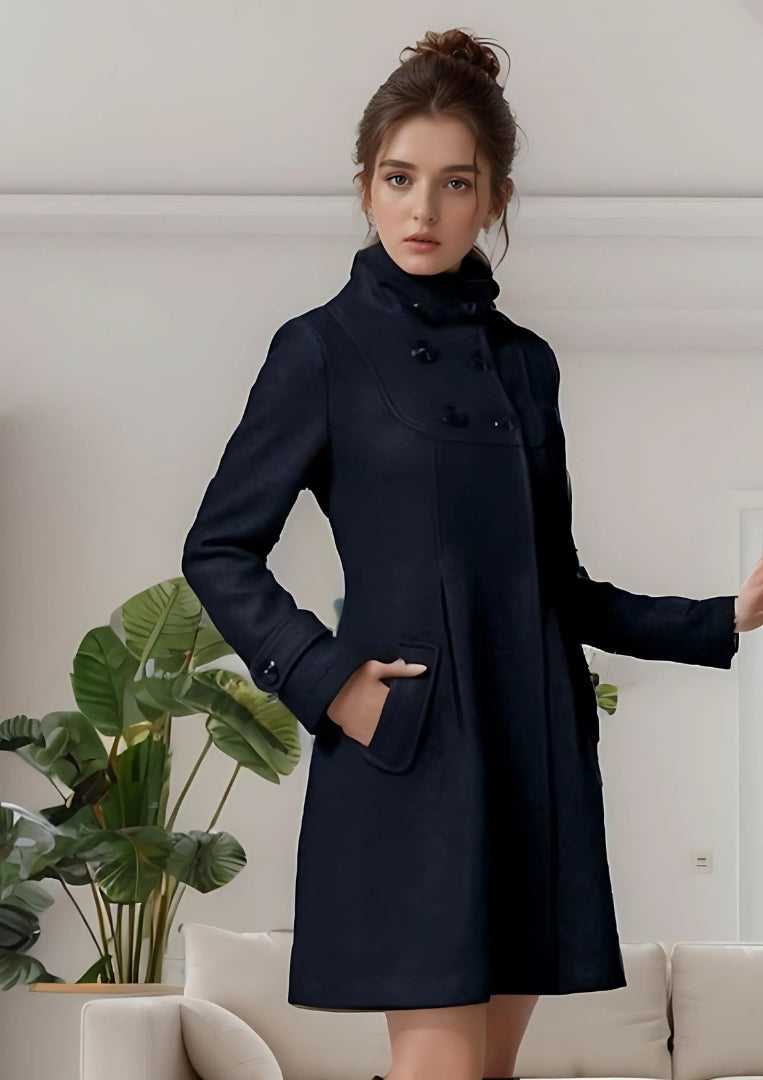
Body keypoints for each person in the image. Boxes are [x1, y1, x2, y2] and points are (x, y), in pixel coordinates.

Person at [180, 27, 763, 1080]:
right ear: (364, 186)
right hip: (410, 749)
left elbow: (555, 585)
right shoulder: (320, 350)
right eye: (399, 178)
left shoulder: (525, 366)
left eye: (456, 183)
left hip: (528, 749)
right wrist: (331, 684)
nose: (423, 209)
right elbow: (219, 547)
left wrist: (725, 615)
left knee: (487, 1072)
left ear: (494, 199)